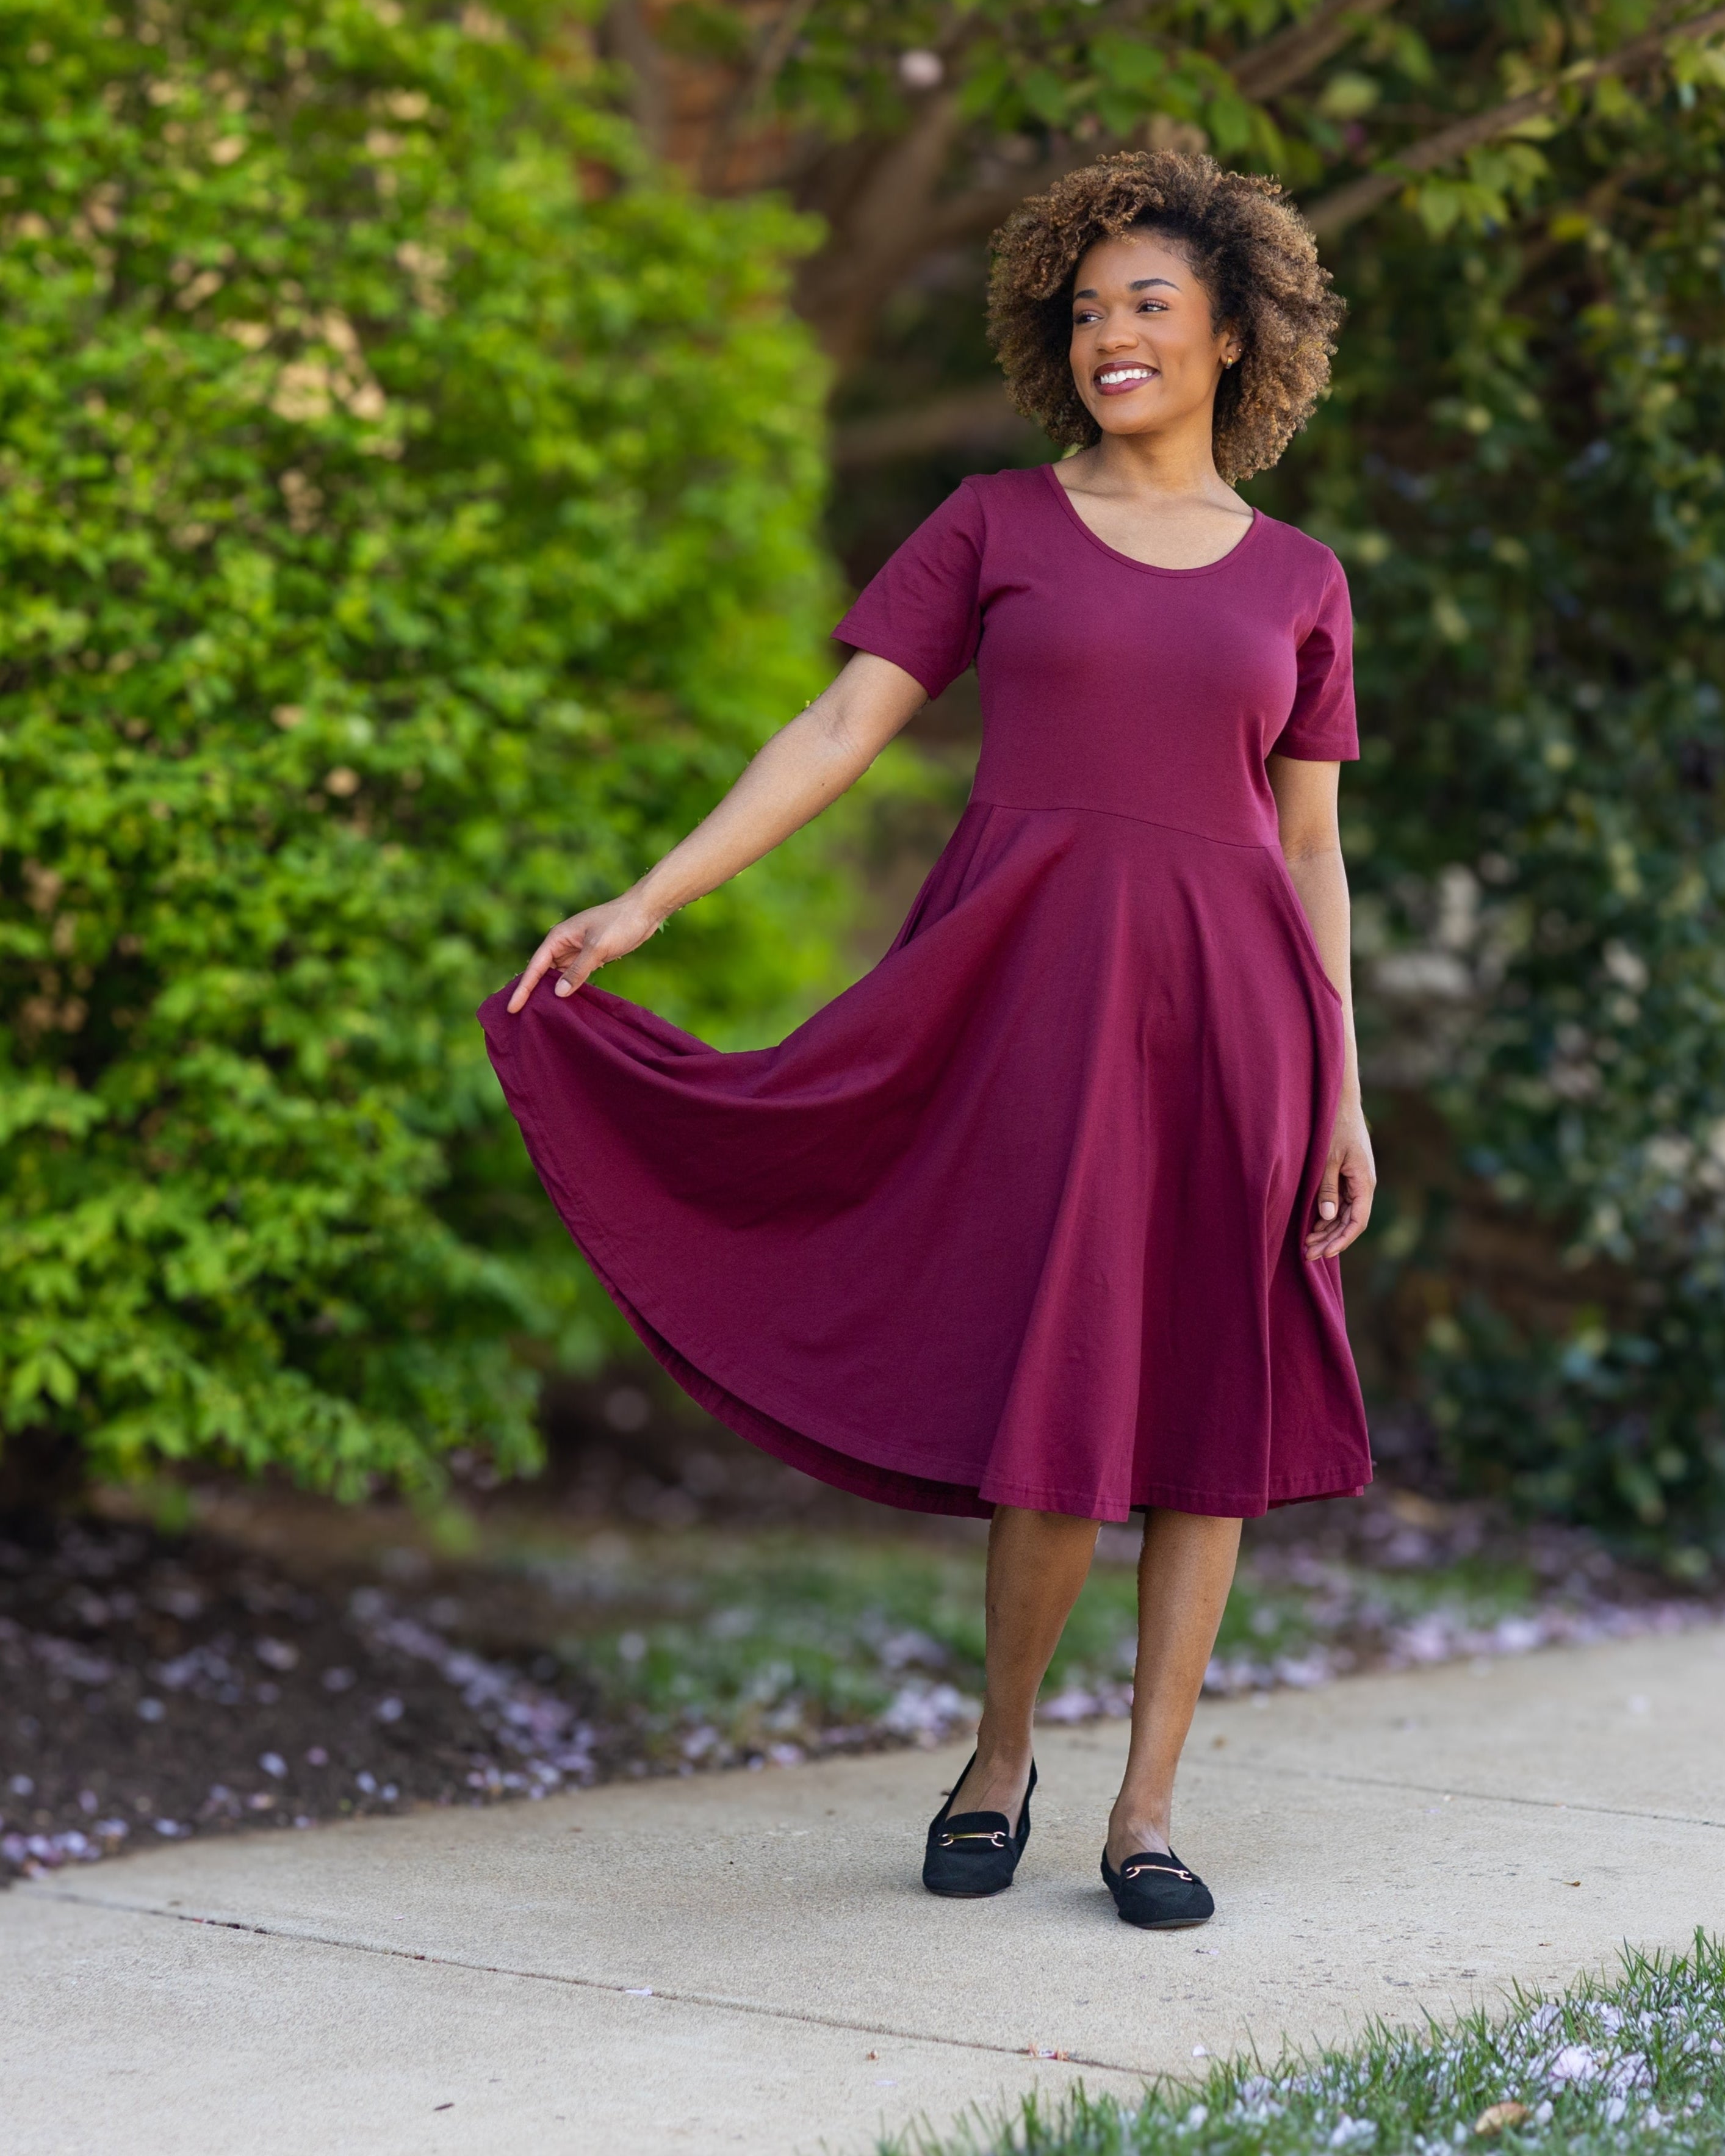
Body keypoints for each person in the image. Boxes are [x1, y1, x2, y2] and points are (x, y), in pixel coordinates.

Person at [481, 150, 1374, 1931]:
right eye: (1088, 308)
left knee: (1210, 1403)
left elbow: (1311, 850)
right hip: (1034, 1004)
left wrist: (1344, 1090)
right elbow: (836, 730)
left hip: (1242, 1028)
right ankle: (1001, 1752)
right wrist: (650, 901)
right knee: (1063, 1384)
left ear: (1233, 336)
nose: (1111, 334)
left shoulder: (1303, 579)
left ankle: (1147, 1811)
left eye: (1150, 304)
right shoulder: (994, 524)